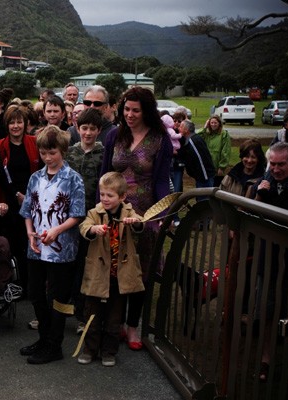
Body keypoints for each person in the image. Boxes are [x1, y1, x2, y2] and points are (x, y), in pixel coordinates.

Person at [100, 86, 173, 350]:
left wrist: (163, 214)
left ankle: (133, 326)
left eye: (136, 110)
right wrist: (101, 207)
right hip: (115, 214)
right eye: (126, 109)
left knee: (140, 274)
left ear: (147, 111)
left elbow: (162, 181)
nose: (129, 115)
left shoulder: (160, 139)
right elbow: (104, 173)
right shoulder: (113, 136)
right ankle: (116, 322)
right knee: (116, 270)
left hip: (145, 215)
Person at [18, 124, 85, 364]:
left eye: (53, 153)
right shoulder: (35, 177)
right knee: (35, 294)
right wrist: (29, 232)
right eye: (44, 153)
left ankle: (54, 345)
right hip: (36, 247)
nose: (48, 158)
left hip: (61, 249)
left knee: (56, 298)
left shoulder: (73, 179)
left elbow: (78, 214)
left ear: (63, 151)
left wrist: (57, 230)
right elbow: (27, 210)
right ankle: (44, 337)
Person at [77, 172, 144, 367]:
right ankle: (90, 349)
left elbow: (141, 222)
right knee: (93, 316)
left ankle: (109, 351)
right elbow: (84, 226)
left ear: (122, 197)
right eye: (102, 194)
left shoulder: (129, 212)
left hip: (118, 277)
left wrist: (135, 222)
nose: (105, 199)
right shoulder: (94, 213)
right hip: (98, 275)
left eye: (110, 195)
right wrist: (92, 229)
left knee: (115, 318)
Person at [247, 142, 288, 383]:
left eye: (281, 164)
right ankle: (265, 359)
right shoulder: (262, 185)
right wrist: (259, 194)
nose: (276, 169)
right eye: (272, 164)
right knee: (265, 311)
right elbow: (247, 216)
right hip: (268, 261)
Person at [65, 108, 105, 335]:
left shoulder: (103, 154)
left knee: (84, 266)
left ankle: (82, 315)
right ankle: (61, 310)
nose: (87, 133)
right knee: (66, 265)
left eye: (92, 129)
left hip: (91, 217)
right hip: (69, 216)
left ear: (99, 130)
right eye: (84, 128)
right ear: (77, 128)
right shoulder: (70, 153)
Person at [0, 105, 42, 291]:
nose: (16, 126)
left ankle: (32, 285)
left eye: (19, 122)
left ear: (25, 124)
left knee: (31, 242)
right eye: (12, 122)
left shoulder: (34, 142)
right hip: (10, 199)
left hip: (33, 199)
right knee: (14, 243)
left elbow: (40, 173)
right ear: (6, 125)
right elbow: (0, 175)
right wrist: (15, 195)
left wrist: (28, 197)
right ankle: (16, 284)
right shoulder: (0, 146)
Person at [177, 119, 216, 192]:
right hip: (201, 177)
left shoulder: (193, 141)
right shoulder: (191, 139)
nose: (178, 128)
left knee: (204, 199)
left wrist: (204, 177)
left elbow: (201, 160)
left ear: (186, 130)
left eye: (181, 127)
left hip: (204, 177)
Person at [198, 115, 231, 187]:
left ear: (219, 123)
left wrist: (222, 166)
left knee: (216, 187)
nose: (213, 124)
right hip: (207, 165)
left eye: (215, 123)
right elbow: (197, 136)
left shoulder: (224, 134)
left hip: (217, 165)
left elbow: (225, 151)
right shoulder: (206, 134)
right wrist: (204, 127)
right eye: (211, 122)